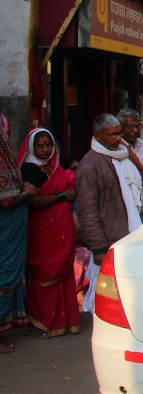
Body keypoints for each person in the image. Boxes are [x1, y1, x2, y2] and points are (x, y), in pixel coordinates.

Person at [76, 114, 143, 313]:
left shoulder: (122, 157)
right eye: (112, 135)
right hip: (109, 240)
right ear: (98, 136)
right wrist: (98, 248)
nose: (117, 138)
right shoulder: (90, 165)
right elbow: (88, 211)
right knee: (108, 297)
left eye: (118, 134)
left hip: (128, 235)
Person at [17, 128, 80, 339]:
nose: (44, 150)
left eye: (48, 145)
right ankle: (42, 322)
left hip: (60, 228)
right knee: (43, 270)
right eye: (40, 145)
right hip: (41, 230)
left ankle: (66, 321)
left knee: (63, 269)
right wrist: (62, 195)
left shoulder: (55, 168)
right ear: (31, 147)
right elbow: (33, 201)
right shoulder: (26, 169)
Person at [0, 113, 37, 353]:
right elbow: (6, 200)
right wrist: (28, 193)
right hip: (6, 231)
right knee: (5, 279)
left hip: (11, 232)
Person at [117, 108, 143, 196]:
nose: (135, 131)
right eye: (131, 127)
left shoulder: (141, 144)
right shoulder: (118, 148)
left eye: (138, 126)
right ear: (120, 127)